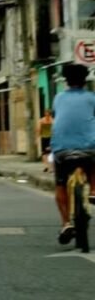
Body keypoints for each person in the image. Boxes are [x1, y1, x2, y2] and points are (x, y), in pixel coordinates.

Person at [51, 63, 95, 244]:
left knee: (60, 184)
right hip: (89, 147)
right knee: (93, 163)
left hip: (62, 149)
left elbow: (58, 120)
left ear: (66, 81)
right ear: (85, 80)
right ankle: (93, 189)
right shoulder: (92, 98)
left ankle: (66, 223)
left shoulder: (58, 98)